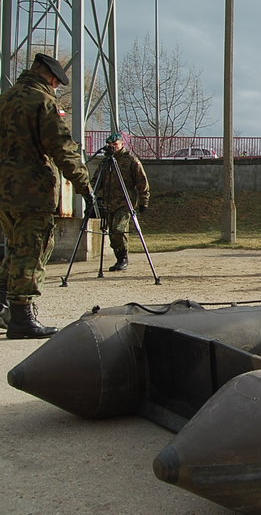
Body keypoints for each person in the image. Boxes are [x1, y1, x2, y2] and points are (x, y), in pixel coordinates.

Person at [0, 53, 94, 338]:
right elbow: (62, 149)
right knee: (33, 248)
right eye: (56, 83)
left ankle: (3, 303)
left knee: (15, 247)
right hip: (31, 191)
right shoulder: (43, 103)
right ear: (51, 78)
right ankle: (21, 317)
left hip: (4, 191)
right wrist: (85, 187)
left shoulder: (4, 100)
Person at [93, 131, 150, 272]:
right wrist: (91, 196)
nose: (113, 147)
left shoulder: (130, 160)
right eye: (110, 145)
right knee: (112, 232)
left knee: (119, 229)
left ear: (122, 144)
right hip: (108, 202)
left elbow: (142, 182)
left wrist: (144, 201)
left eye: (115, 144)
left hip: (125, 203)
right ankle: (119, 257)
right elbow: (96, 181)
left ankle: (123, 257)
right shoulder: (105, 162)